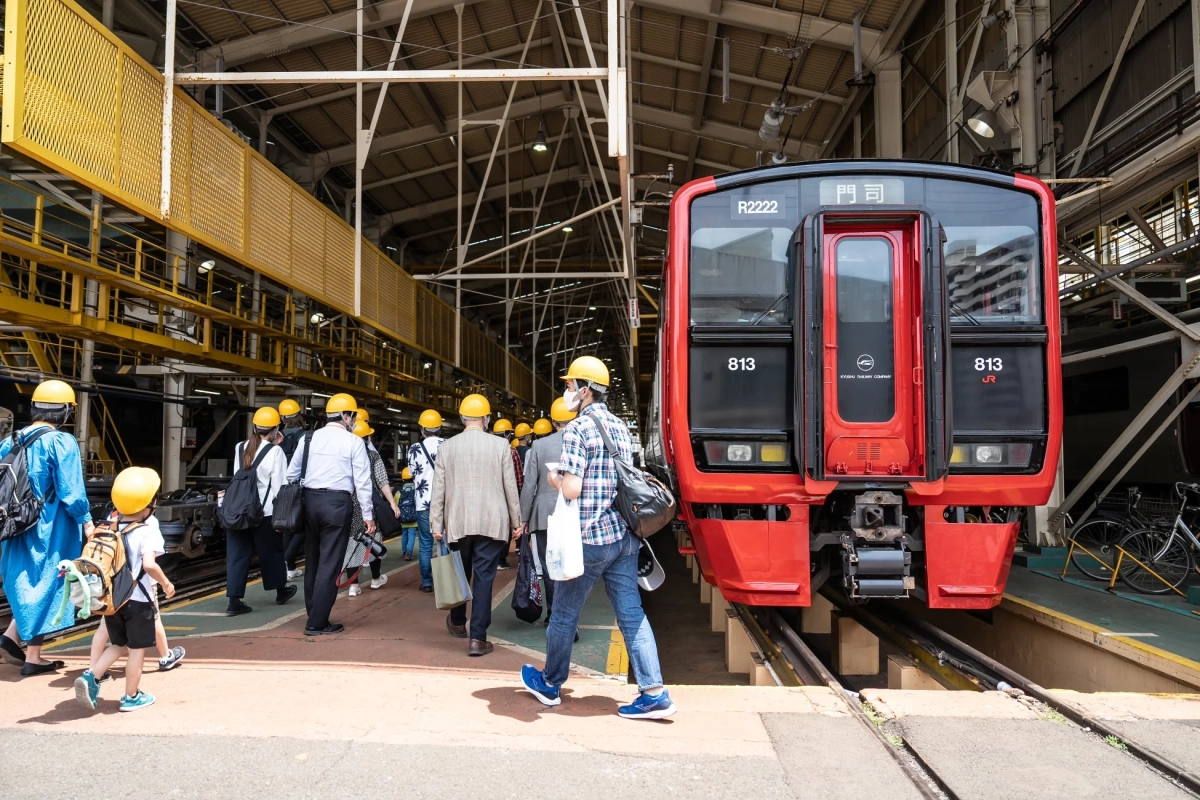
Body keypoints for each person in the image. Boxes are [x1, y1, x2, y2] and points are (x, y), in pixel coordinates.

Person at [520, 356, 676, 720]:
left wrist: (556, 478)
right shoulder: (620, 427)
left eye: (571, 385)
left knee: (562, 615)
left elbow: (572, 488)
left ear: (585, 390)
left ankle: (550, 683)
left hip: (590, 538)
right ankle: (653, 692)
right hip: (624, 535)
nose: (568, 390)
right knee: (632, 614)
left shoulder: (578, 429)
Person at [0, 380, 95, 677]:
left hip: (13, 524)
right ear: (66, 412)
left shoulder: (10, 440)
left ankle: (11, 637)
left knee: (22, 581)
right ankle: (34, 657)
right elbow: (71, 492)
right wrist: (88, 522)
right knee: (48, 581)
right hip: (48, 526)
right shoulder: (61, 442)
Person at [74, 467, 174, 712]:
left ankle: (91, 675)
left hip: (114, 601)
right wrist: (166, 583)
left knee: (119, 645)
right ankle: (131, 696)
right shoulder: (147, 530)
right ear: (149, 505)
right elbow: (149, 565)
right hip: (138, 600)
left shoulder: (109, 527)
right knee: (137, 650)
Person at [429, 394, 521, 656]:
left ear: (462, 419)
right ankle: (477, 638)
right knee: (483, 579)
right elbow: (510, 489)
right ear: (486, 418)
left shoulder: (447, 447)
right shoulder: (501, 446)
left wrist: (436, 522)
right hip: (492, 523)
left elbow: (439, 489)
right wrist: (516, 522)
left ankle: (458, 623)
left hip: (458, 522)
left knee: (460, 573)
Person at [286, 393, 375, 635]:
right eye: (353, 417)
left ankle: (313, 611)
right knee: (330, 563)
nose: (354, 422)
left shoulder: (308, 438)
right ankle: (317, 622)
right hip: (337, 504)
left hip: (309, 502)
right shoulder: (353, 442)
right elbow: (363, 482)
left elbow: (291, 474)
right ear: (346, 416)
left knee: (312, 560)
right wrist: (368, 515)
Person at [225, 407, 297, 616]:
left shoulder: (240, 447)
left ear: (255, 427)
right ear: (276, 430)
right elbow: (280, 488)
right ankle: (281, 591)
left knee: (237, 556)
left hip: (237, 511)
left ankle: (234, 601)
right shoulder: (276, 452)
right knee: (272, 553)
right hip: (263, 513)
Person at [517, 398, 576, 627]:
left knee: (550, 567)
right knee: (572, 567)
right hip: (574, 514)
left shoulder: (539, 447)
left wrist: (523, 518)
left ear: (552, 421)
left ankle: (554, 616)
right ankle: (570, 618)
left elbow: (529, 485)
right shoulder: (582, 442)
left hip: (544, 516)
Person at [343, 417, 399, 596]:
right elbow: (383, 481)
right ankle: (375, 579)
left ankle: (353, 585)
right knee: (373, 543)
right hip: (370, 506)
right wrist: (392, 503)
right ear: (368, 438)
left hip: (350, 507)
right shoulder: (374, 456)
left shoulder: (345, 456)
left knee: (352, 544)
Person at [407, 409, 444, 594]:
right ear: (440, 428)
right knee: (445, 541)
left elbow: (412, 473)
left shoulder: (414, 449)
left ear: (422, 429)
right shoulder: (449, 445)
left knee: (425, 543)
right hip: (445, 502)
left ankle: (427, 582)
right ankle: (445, 582)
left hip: (423, 503)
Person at [278, 398, 307, 580]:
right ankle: (286, 560)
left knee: (287, 527)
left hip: (282, 485)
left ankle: (290, 568)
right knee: (302, 527)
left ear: (282, 417)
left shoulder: (277, 436)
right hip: (299, 485)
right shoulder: (304, 436)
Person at [491, 419, 523, 570]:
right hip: (506, 496)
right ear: (508, 434)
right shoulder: (512, 451)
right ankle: (500, 560)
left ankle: (492, 557)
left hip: (491, 495)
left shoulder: (488, 448)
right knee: (505, 528)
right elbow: (517, 478)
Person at [398, 468, 418, 561]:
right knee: (411, 534)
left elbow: (395, 503)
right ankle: (408, 553)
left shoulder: (399, 492)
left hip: (403, 518)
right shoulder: (416, 491)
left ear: (402, 479)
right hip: (414, 519)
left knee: (404, 534)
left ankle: (404, 552)